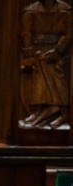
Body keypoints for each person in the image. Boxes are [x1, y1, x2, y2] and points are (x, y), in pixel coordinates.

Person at [20, 0, 71, 129]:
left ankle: (62, 113)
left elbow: (68, 34)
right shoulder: (30, 11)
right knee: (38, 82)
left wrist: (58, 51)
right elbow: (26, 33)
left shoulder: (65, 10)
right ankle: (38, 111)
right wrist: (30, 54)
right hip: (38, 50)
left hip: (57, 51)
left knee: (58, 80)